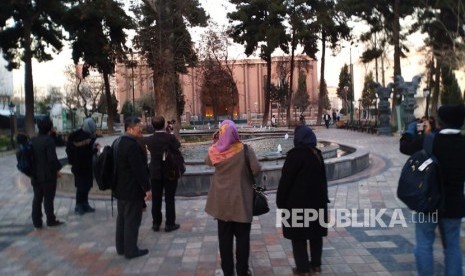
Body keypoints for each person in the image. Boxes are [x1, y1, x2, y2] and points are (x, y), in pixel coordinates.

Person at [407, 104, 465, 276]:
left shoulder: (429, 140)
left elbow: (405, 146)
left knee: (424, 244)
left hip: (429, 204)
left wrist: (411, 130)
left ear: (440, 122)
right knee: (453, 247)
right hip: (454, 205)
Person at [205, 120, 261, 276]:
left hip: (222, 204)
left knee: (224, 241)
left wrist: (216, 142)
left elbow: (207, 161)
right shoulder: (245, 150)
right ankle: (242, 271)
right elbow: (256, 170)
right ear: (236, 133)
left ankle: (227, 271)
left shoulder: (215, 152)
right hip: (241, 202)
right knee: (243, 240)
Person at [276, 125, 329, 276]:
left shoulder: (295, 155)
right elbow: (323, 180)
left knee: (299, 238)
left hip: (297, 204)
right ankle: (316, 265)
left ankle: (303, 269)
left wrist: (280, 201)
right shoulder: (317, 153)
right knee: (315, 235)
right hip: (317, 203)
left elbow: (286, 181)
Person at [114, 117, 152, 259]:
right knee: (131, 220)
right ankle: (131, 250)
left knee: (122, 219)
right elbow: (139, 170)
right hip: (131, 190)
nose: (141, 129)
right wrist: (147, 189)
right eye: (138, 127)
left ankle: (121, 247)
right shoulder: (132, 146)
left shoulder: (117, 142)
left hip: (120, 188)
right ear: (129, 129)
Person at [145, 116, 183, 232]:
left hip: (155, 172)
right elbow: (177, 146)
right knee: (169, 198)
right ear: (163, 125)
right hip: (169, 171)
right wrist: (170, 133)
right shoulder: (169, 137)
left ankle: (156, 223)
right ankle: (169, 223)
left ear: (153, 126)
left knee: (156, 199)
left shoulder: (149, 139)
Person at [30, 117, 64, 229]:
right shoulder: (48, 141)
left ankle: (37, 221)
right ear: (50, 128)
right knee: (48, 199)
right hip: (47, 175)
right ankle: (50, 219)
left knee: (37, 198)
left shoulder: (33, 140)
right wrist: (57, 170)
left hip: (35, 175)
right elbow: (52, 159)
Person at [67, 117, 99, 215]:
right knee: (81, 187)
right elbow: (81, 153)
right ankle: (78, 205)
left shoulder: (87, 135)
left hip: (87, 166)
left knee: (87, 186)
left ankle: (85, 204)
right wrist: (94, 150)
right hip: (80, 166)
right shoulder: (79, 136)